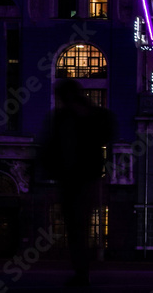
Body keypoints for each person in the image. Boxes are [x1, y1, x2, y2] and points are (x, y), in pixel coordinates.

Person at [39, 79, 116, 287]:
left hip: (83, 178)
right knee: (75, 226)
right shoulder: (62, 117)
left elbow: (108, 130)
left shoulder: (88, 115)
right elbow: (48, 146)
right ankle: (81, 271)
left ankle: (82, 272)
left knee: (78, 226)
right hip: (71, 178)